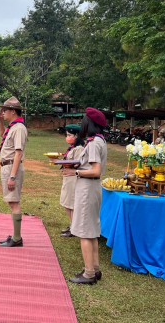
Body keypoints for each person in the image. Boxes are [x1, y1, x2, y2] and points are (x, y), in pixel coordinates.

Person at [63, 107, 108, 285]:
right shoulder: (98, 141)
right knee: (92, 231)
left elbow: (95, 170)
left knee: (84, 231)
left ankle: (89, 273)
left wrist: (76, 173)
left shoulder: (94, 143)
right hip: (92, 188)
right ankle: (94, 269)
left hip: (88, 189)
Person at [0, 96, 28, 248]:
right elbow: (3, 136)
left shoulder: (19, 129)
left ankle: (17, 238)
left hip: (11, 167)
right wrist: (1, 121)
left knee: (14, 202)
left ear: (13, 112)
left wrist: (12, 176)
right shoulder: (13, 127)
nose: (3, 112)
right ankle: (16, 236)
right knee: (11, 201)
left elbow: (18, 153)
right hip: (7, 166)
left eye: (5, 110)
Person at [59, 125, 85, 238]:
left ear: (77, 136)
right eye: (67, 135)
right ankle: (72, 226)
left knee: (71, 204)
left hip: (73, 178)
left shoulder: (79, 148)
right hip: (68, 177)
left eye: (70, 135)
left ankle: (74, 228)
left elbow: (77, 163)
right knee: (67, 203)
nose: (67, 137)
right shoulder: (73, 147)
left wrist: (63, 163)